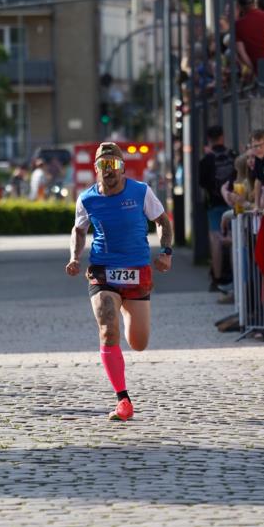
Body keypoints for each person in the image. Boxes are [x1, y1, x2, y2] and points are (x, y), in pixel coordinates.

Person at [65, 142, 173, 422]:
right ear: (96, 168)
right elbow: (79, 229)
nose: (109, 170)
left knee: (139, 343)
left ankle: (126, 309)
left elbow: (162, 221)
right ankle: (123, 400)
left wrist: (166, 252)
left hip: (137, 270)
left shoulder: (141, 191)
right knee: (107, 328)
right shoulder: (87, 199)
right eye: (103, 165)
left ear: (123, 168)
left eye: (113, 164)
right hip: (102, 269)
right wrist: (75, 257)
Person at [198, 125, 236, 287]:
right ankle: (235, 279)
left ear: (209, 139)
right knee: (234, 238)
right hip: (233, 202)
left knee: (216, 239)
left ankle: (217, 279)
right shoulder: (232, 155)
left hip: (214, 205)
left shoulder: (206, 160)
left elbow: (202, 183)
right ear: (222, 137)